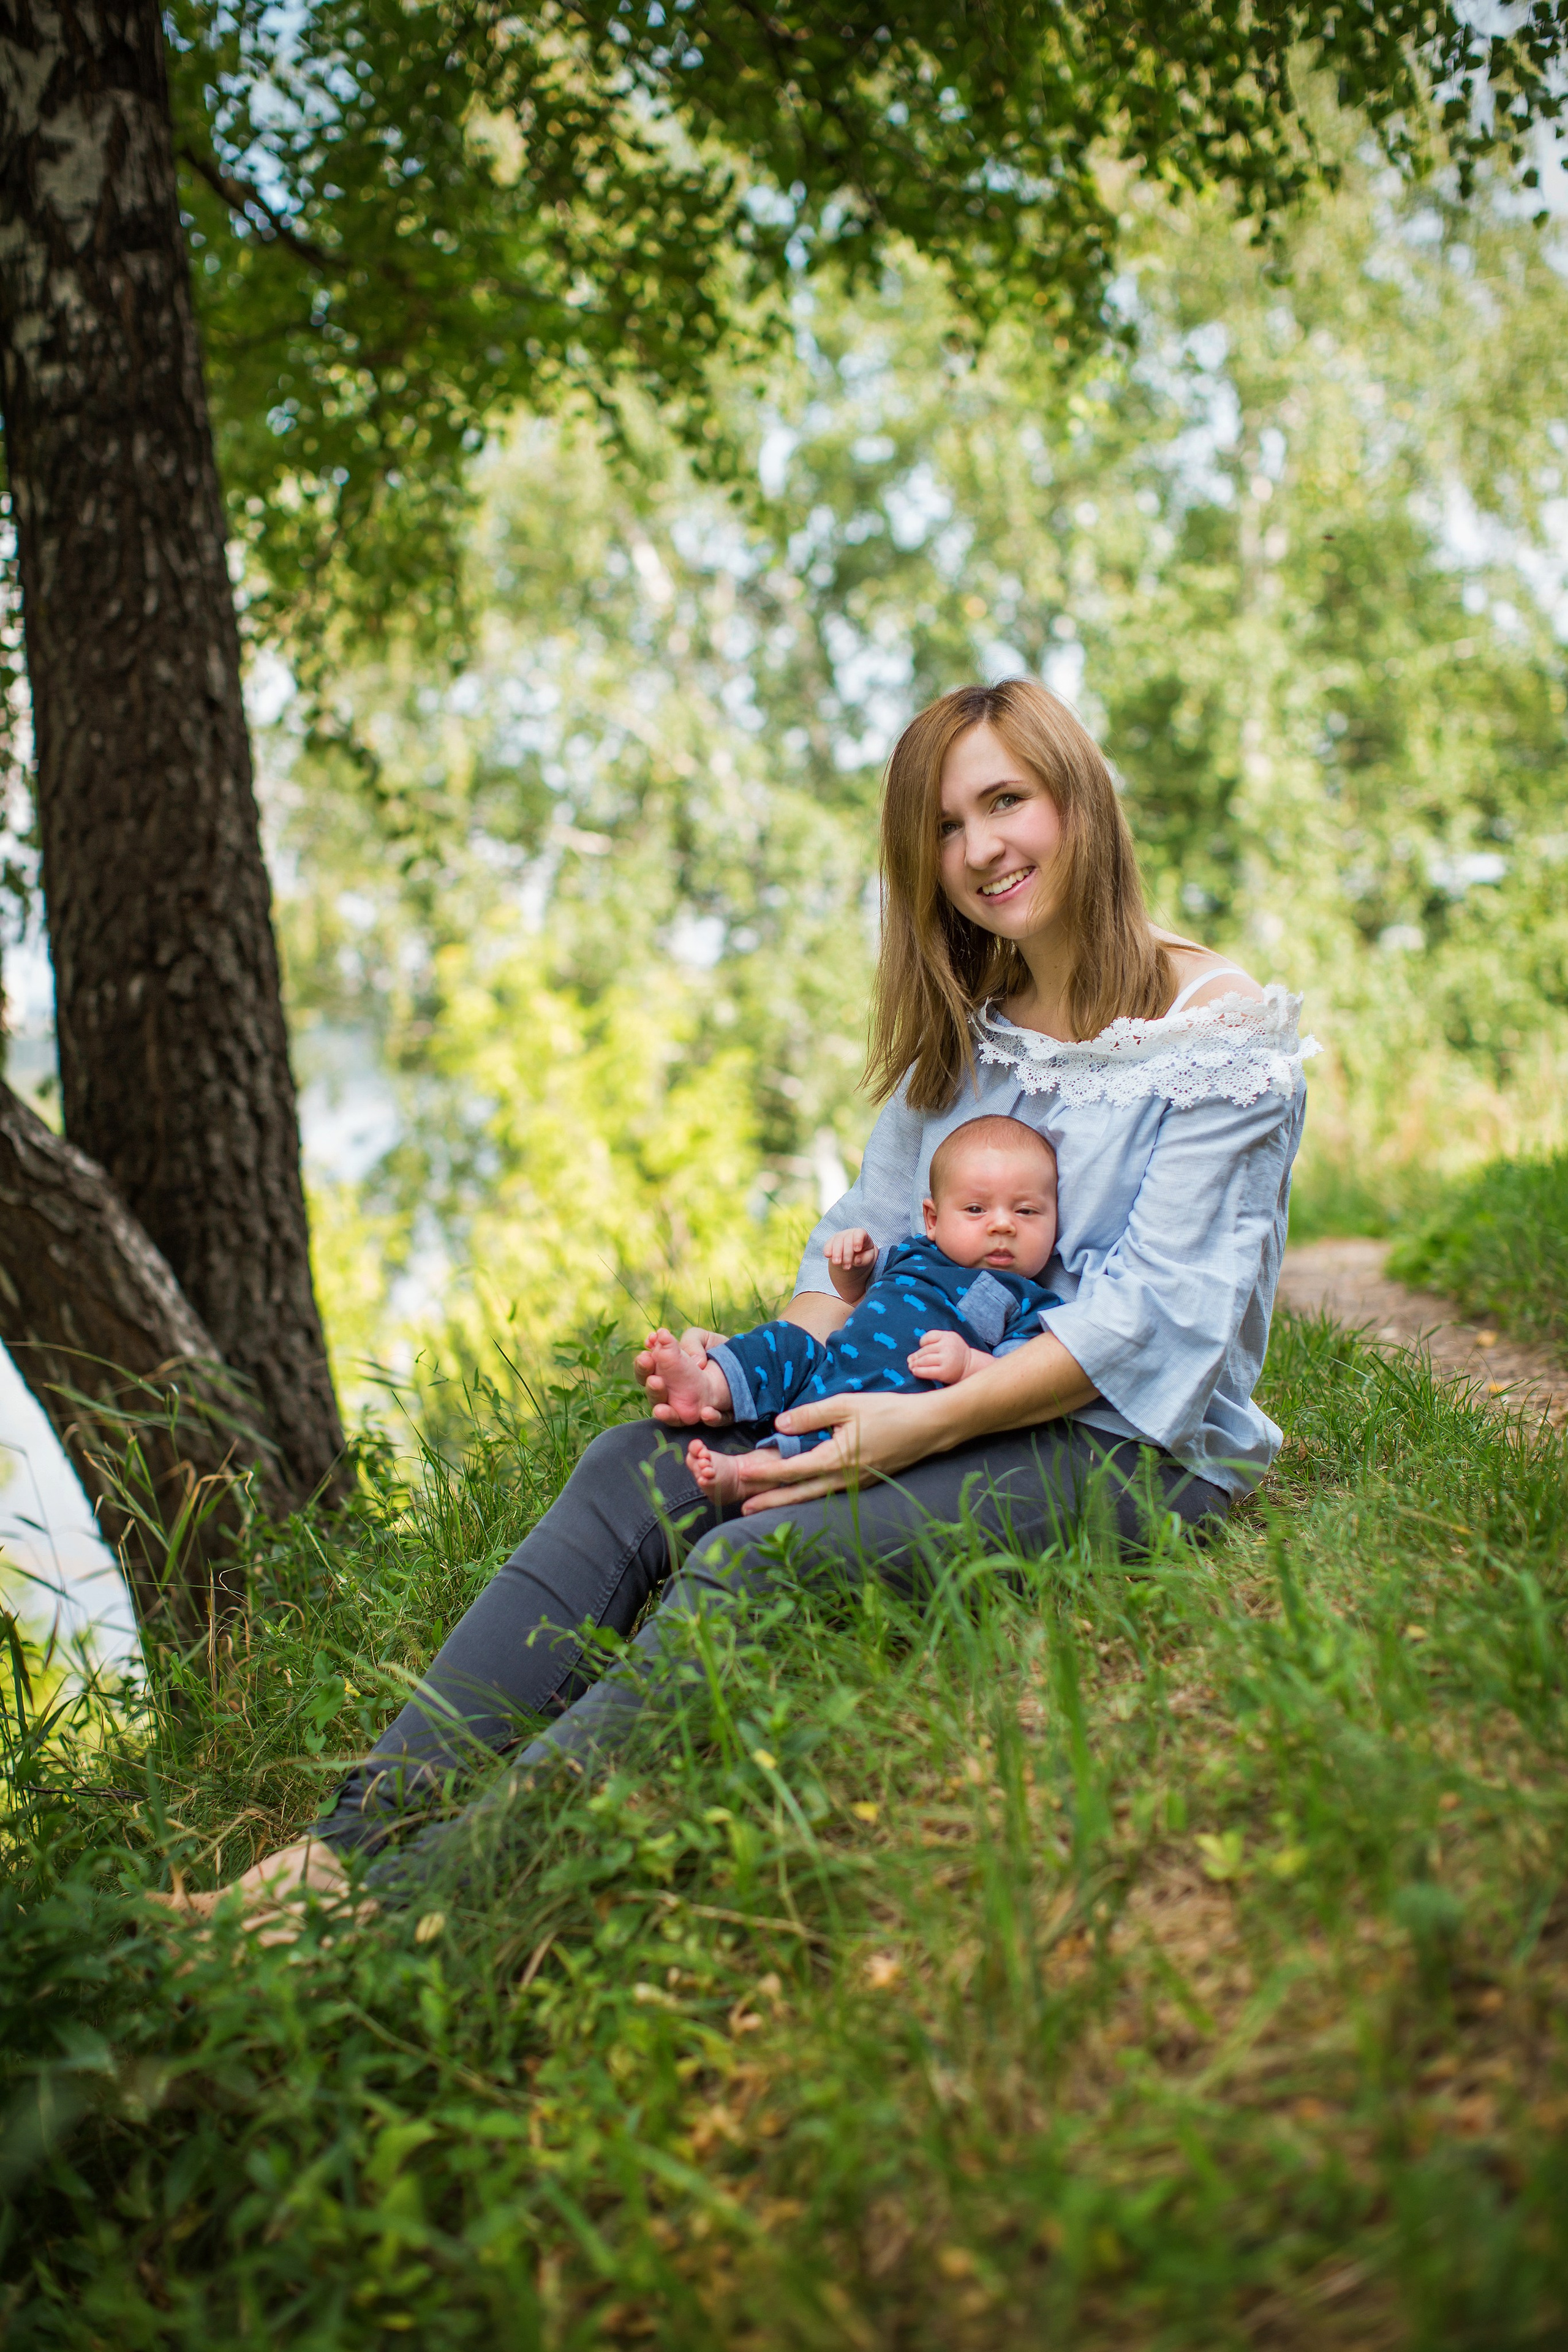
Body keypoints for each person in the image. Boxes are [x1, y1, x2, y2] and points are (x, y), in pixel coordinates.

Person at [164, 677, 1314, 1926]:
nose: (980, 849)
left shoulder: (1214, 1033)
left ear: (1077, 800)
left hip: (1124, 1441)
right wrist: (758, 1372)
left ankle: (407, 1912)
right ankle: (338, 1854)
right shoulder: (967, 1032)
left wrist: (918, 1426)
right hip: (934, 1398)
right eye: (943, 827)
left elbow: (1156, 1323)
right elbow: (852, 1252)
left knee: (765, 1552)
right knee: (630, 1466)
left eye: (1005, 802)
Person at [656, 1115, 1064, 1506]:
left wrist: (969, 1364)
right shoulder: (914, 1253)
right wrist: (851, 1266)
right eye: (976, 1209)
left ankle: (747, 1472)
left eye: (1026, 1211)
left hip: (894, 1398)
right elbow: (853, 1293)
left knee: (832, 1433)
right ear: (933, 1219)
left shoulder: (1032, 1304)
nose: (1002, 1225)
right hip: (830, 1362)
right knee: (784, 1342)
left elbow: (1017, 1380)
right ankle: (709, 1385)